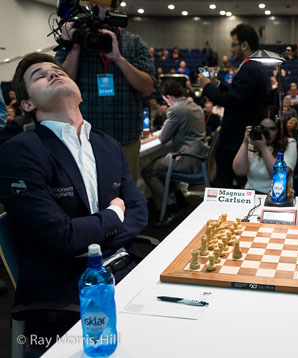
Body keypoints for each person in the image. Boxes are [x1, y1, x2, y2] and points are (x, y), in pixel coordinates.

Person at [0, 53, 147, 347]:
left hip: (123, 271)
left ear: (78, 92)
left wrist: (90, 236)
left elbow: (139, 214)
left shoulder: (108, 145)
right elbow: (60, 236)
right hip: (63, 295)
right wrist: (113, 217)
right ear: (28, 104)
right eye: (39, 75)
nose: (54, 73)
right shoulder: (19, 151)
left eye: (58, 70)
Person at [55, 4, 156, 182]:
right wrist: (75, 48)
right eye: (92, 5)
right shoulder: (74, 41)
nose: (96, 11)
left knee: (126, 193)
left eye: (103, 6)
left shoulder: (134, 43)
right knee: (88, 194)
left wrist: (118, 58)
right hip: (83, 139)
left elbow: (147, 87)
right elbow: (61, 87)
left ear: (115, 8)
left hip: (125, 136)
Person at [199, 23, 268, 188]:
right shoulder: (253, 66)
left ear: (244, 45)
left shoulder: (250, 68)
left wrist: (207, 86)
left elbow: (231, 101)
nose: (231, 49)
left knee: (224, 186)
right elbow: (238, 94)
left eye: (233, 45)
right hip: (239, 137)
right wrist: (216, 83)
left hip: (234, 140)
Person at [142, 80, 208, 221]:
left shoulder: (176, 110)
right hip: (200, 156)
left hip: (187, 158)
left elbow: (163, 138)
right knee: (159, 164)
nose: (167, 104)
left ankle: (168, 209)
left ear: (169, 97)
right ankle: (180, 199)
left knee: (148, 171)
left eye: (166, 100)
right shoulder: (195, 106)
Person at [233, 116, 297, 195]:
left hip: (278, 195)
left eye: (272, 129)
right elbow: (239, 171)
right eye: (263, 128)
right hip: (251, 193)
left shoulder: (289, 143)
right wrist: (245, 143)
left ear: (279, 130)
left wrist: (263, 148)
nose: (267, 133)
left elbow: (279, 175)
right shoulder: (254, 141)